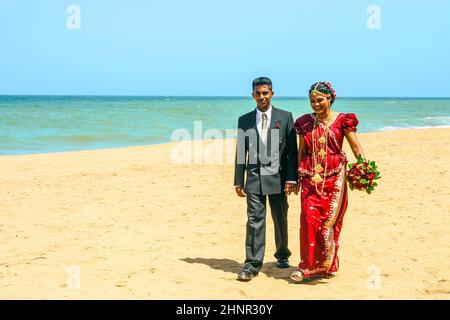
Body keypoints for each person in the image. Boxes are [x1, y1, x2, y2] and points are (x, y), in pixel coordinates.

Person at [290, 81, 365, 282]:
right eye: (312, 101)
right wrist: (296, 177)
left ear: (330, 98)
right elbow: (301, 151)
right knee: (308, 219)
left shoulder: (343, 120)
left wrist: (364, 167)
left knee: (328, 222)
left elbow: (355, 147)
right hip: (309, 175)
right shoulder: (304, 122)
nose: (315, 104)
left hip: (335, 177)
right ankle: (306, 266)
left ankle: (325, 265)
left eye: (320, 100)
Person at [234, 77, 298, 281]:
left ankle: (282, 255)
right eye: (258, 93)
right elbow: (240, 152)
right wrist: (238, 179)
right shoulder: (244, 120)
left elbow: (292, 152)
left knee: (280, 217)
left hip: (278, 178)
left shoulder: (286, 117)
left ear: (272, 93)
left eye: (265, 93)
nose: (262, 97)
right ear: (252, 95)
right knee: (254, 221)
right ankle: (251, 265)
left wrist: (291, 179)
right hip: (253, 178)